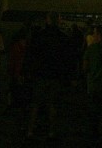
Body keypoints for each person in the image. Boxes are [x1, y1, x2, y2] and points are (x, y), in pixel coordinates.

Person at [23, 11, 73, 140]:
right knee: (52, 104)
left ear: (47, 20)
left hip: (39, 74)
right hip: (55, 75)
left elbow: (30, 55)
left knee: (36, 103)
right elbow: (67, 59)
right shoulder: (63, 37)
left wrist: (28, 71)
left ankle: (30, 130)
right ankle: (51, 131)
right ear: (59, 20)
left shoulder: (38, 36)